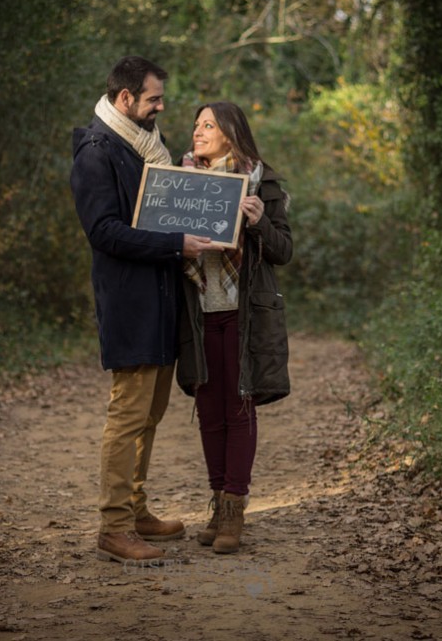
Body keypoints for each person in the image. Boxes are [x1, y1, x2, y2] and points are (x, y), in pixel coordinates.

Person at [70, 56, 221, 565]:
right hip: (130, 303)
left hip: (161, 298)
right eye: (154, 99)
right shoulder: (97, 153)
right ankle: (113, 527)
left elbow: (155, 212)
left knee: (151, 414)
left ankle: (135, 511)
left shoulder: (142, 149)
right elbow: (104, 232)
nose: (161, 107)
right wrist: (176, 245)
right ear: (126, 98)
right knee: (128, 414)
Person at [175, 102, 293, 554]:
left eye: (208, 125)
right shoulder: (180, 182)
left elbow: (284, 251)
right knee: (209, 409)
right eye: (196, 124)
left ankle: (233, 512)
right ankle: (216, 501)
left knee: (239, 407)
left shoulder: (262, 182)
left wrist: (259, 220)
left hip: (243, 310)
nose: (198, 131)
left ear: (230, 132)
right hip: (198, 309)